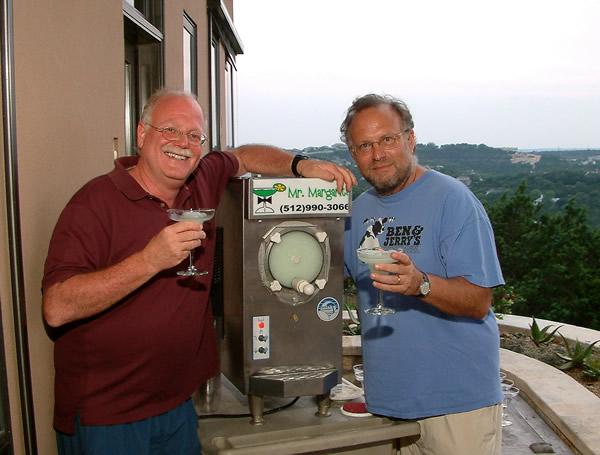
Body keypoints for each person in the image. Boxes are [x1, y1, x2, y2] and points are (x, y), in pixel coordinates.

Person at [42, 88, 356, 455]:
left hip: (177, 406)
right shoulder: (93, 204)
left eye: (194, 136)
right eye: (170, 130)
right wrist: (150, 260)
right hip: (108, 417)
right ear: (142, 134)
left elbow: (242, 157)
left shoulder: (201, 182)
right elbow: (57, 307)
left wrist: (302, 165)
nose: (183, 143)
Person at [342, 94, 504, 454]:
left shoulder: (453, 199)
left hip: (456, 406)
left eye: (387, 139)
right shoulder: (357, 212)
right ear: (353, 156)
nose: (378, 154)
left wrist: (422, 284)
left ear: (410, 140)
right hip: (387, 402)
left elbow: (478, 301)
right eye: (364, 145)